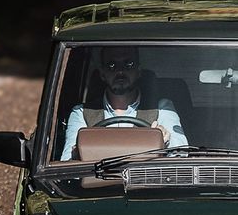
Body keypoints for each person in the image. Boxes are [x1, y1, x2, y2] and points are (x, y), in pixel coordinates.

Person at [59, 45, 189, 160]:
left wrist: (164, 141)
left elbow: (182, 154)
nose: (120, 71)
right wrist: (77, 153)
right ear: (102, 74)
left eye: (128, 64)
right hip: (96, 186)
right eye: (112, 65)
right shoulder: (82, 113)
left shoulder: (162, 109)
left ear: (138, 71)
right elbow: (67, 163)